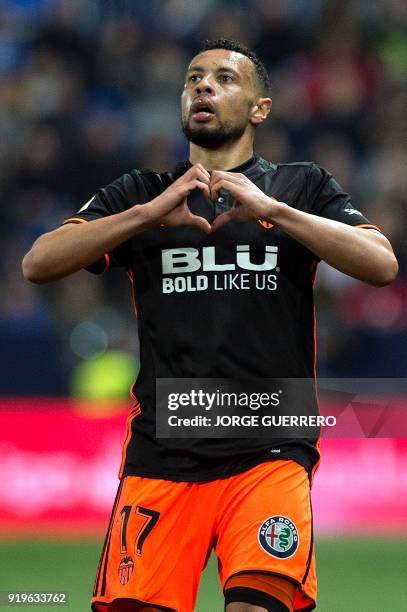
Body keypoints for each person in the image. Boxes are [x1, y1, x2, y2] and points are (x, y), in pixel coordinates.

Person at [22, 39, 398, 612]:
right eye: (194, 78)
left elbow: (382, 264)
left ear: (260, 108)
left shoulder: (301, 186)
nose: (203, 87)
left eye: (224, 79)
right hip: (162, 453)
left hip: (270, 446)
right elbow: (38, 263)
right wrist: (149, 215)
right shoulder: (142, 193)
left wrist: (275, 212)